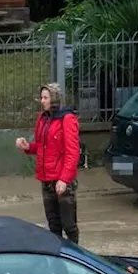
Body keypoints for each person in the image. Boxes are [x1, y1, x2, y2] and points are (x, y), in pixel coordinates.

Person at [16, 82, 81, 243]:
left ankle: (75, 258)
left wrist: (64, 180)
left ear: (55, 99)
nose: (42, 101)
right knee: (53, 225)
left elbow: (72, 152)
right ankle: (57, 258)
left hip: (62, 182)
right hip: (46, 180)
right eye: (41, 97)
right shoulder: (43, 119)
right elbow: (41, 147)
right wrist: (27, 147)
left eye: (45, 98)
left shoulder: (67, 119)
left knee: (69, 225)